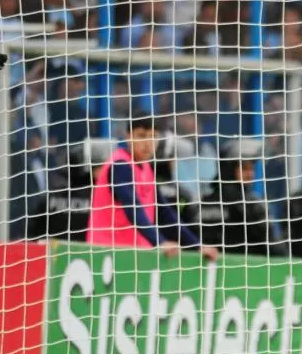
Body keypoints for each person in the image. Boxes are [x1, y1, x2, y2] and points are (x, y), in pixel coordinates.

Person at [86, 112, 219, 262]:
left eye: (153, 136)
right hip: (106, 253)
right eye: (141, 136)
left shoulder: (146, 169)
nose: (148, 143)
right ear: (128, 136)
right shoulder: (120, 166)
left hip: (134, 255)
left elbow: (164, 212)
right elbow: (133, 209)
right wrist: (160, 242)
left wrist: (197, 245)